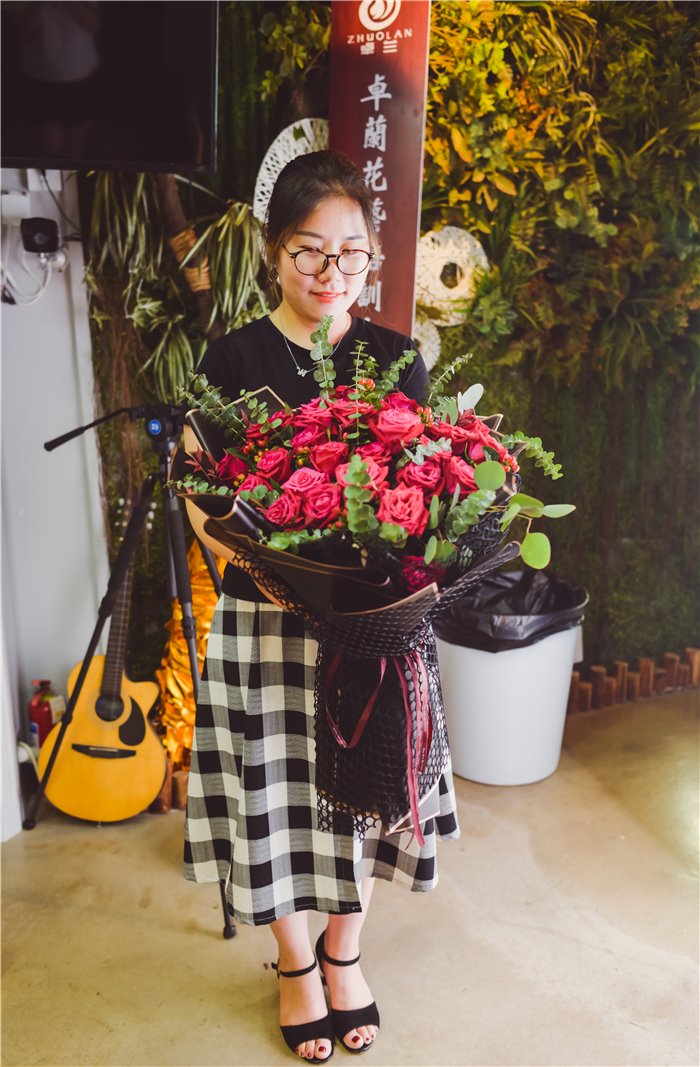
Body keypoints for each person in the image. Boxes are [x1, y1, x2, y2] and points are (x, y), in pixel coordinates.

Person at [183, 150, 460, 1063]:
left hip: (372, 626)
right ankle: (296, 963)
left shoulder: (397, 358)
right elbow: (199, 492)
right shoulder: (232, 360)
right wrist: (266, 563)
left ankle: (345, 952)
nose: (331, 271)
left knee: (365, 796)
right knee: (277, 795)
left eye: (350, 252)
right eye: (309, 249)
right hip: (266, 618)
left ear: (369, 257)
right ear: (273, 251)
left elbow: (429, 489)